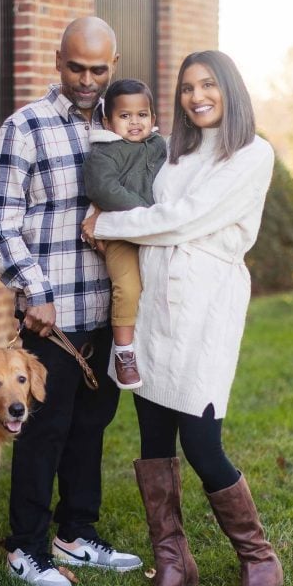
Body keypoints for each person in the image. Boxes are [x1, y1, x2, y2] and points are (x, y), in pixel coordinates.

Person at [81, 50, 284, 586]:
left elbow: (183, 218)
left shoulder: (251, 154)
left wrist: (109, 224)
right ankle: (172, 563)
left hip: (204, 310)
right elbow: (155, 209)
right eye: (188, 88)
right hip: (154, 312)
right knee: (152, 440)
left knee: (201, 441)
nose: (197, 97)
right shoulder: (174, 154)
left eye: (208, 85)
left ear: (230, 89)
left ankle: (260, 561)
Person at [0, 17, 143, 586]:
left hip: (106, 313)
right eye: (77, 67)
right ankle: (25, 548)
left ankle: (76, 533)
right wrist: (34, 292)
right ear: (57, 61)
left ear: (113, 65)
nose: (88, 80)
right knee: (42, 432)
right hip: (51, 318)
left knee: (90, 429)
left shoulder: (122, 128)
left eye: (99, 69)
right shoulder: (25, 128)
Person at [82, 78, 166, 390]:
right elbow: (105, 189)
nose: (135, 122)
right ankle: (124, 352)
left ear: (153, 119)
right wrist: (146, 216)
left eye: (142, 115)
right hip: (120, 239)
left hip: (156, 234)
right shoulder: (104, 153)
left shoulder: (160, 148)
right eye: (125, 116)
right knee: (127, 287)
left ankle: (157, 347)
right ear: (107, 121)